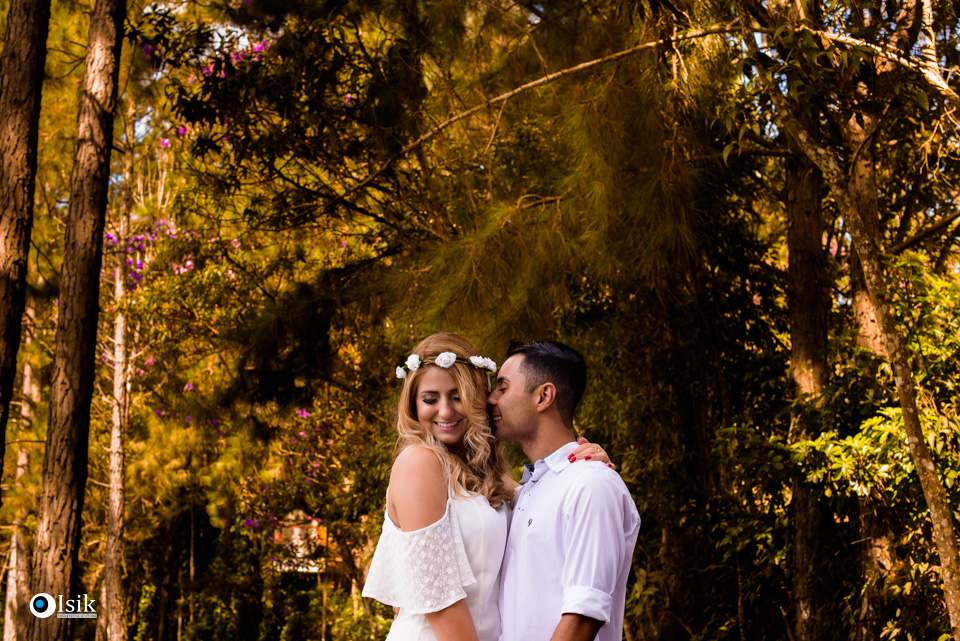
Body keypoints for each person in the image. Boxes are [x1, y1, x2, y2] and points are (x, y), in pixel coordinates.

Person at [362, 332, 611, 641]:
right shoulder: (418, 463)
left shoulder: (488, 476)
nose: (445, 411)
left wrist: (584, 458)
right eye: (430, 399)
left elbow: (546, 497)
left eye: (457, 396)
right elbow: (441, 601)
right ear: (413, 405)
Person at [488, 340, 640, 641]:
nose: (490, 399)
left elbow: (584, 615)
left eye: (502, 388)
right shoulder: (525, 493)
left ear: (543, 396)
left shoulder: (591, 483)